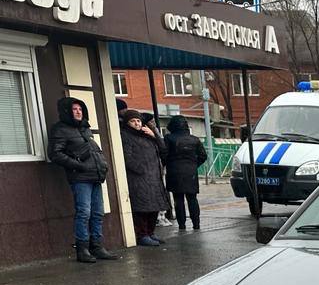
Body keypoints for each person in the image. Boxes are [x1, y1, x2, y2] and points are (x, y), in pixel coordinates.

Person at [48, 97, 118, 264]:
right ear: (67, 112)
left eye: (80, 109)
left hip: (96, 176)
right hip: (80, 178)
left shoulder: (85, 128)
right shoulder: (60, 129)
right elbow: (55, 154)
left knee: (97, 213)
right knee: (84, 213)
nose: (78, 111)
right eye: (74, 109)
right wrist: (79, 166)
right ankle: (82, 249)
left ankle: (97, 247)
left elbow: (93, 152)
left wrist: (103, 165)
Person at [119, 108, 169, 246]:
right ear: (127, 123)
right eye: (133, 121)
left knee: (154, 207)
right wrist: (140, 169)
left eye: (138, 121)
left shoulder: (147, 136)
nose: (136, 123)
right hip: (139, 178)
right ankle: (142, 235)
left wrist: (155, 135)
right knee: (142, 208)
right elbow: (127, 157)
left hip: (154, 177)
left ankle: (151, 232)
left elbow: (163, 150)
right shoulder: (126, 135)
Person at [163, 115, 208, 231]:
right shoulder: (194, 139)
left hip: (174, 172)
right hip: (191, 173)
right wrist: (194, 165)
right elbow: (203, 156)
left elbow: (164, 155)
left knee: (178, 200)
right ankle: (196, 224)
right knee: (192, 199)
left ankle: (182, 225)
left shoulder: (169, 138)